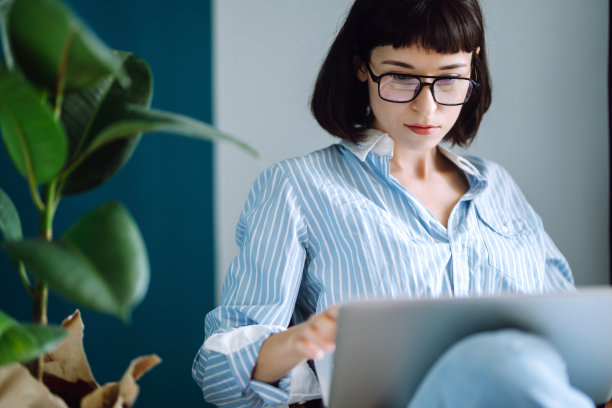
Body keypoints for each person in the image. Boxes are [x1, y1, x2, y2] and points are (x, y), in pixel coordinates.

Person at [192, 0, 595, 407]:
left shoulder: (499, 188)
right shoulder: (296, 188)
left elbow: (575, 340)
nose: (428, 107)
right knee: (496, 357)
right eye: (401, 78)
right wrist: (300, 340)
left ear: (473, 66)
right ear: (361, 66)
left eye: (449, 79)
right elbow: (219, 376)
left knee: (512, 358)